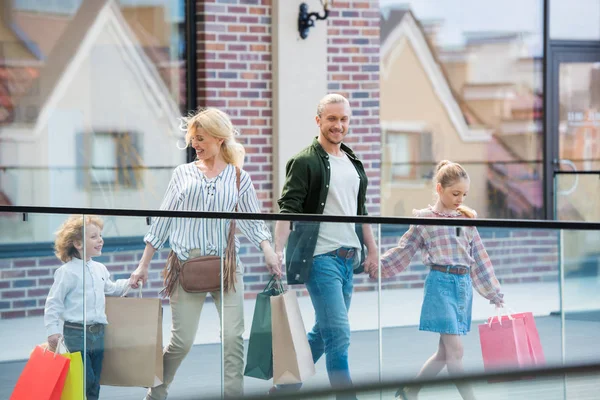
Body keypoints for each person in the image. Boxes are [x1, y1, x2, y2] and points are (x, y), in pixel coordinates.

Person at [128, 107, 279, 400]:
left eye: (200, 138)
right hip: (186, 266)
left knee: (234, 339)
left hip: (226, 267)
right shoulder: (182, 174)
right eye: (192, 139)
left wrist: (268, 251)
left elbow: (252, 220)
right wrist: (143, 265)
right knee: (181, 342)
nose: (194, 144)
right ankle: (155, 394)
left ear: (220, 139)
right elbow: (163, 219)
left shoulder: (238, 177)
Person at [273, 93, 378, 399]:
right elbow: (288, 209)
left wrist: (371, 250)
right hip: (320, 260)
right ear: (318, 120)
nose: (338, 125)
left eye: (343, 119)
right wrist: (277, 251)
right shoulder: (305, 161)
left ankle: (286, 389)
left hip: (348, 260)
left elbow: (361, 211)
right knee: (339, 334)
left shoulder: (353, 161)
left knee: (325, 331)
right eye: (331, 118)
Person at [377, 160, 505, 400]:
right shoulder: (424, 218)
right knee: (456, 352)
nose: (460, 199)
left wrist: (493, 292)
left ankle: (410, 390)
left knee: (444, 354)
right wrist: (378, 266)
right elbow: (404, 249)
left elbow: (478, 257)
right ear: (439, 189)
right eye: (455, 193)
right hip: (440, 285)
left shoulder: (466, 219)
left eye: (464, 194)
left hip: (463, 287)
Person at [45, 215, 130, 400]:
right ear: (77, 243)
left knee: (95, 381)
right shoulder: (66, 272)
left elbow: (112, 288)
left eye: (100, 235)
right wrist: (52, 330)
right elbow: (53, 302)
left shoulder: (100, 268)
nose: (100, 240)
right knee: (86, 379)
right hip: (76, 333)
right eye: (94, 237)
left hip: (99, 333)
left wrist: (131, 282)